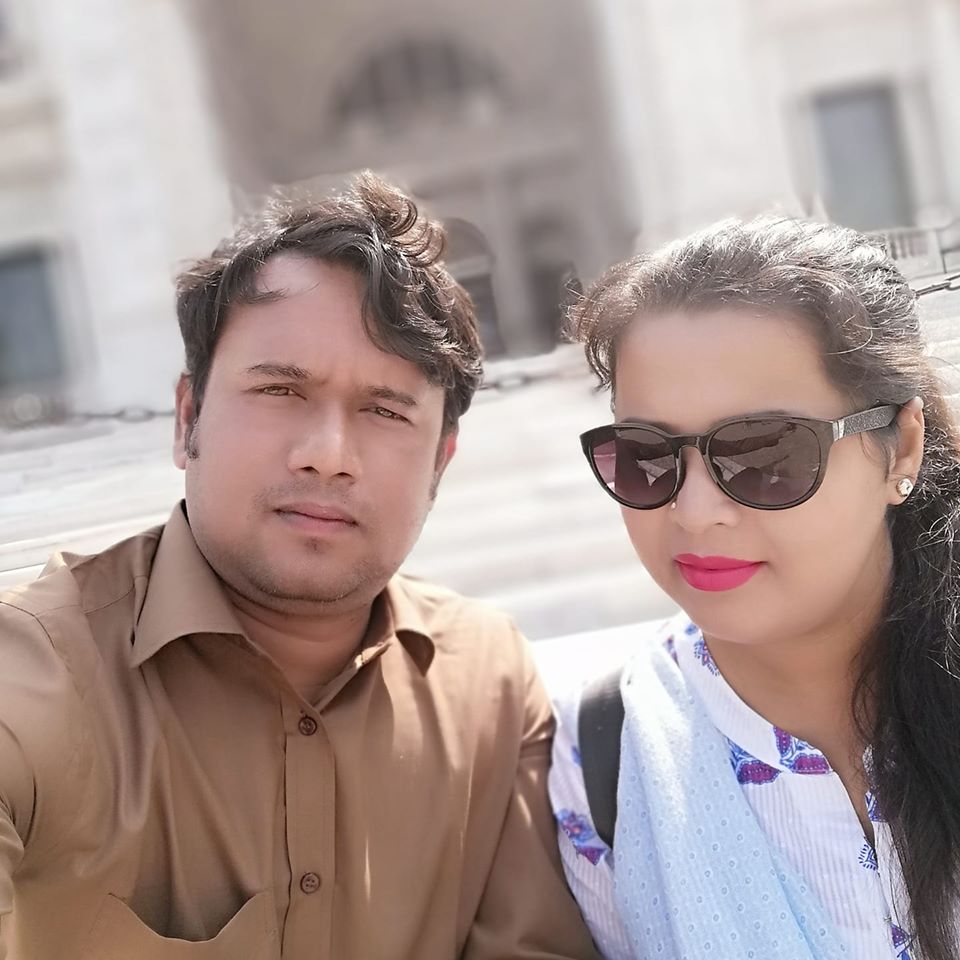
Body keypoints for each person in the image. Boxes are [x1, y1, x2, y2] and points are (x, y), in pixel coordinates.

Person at [0, 174, 600, 960]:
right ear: (188, 419)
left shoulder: (489, 683)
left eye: (384, 410)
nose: (327, 455)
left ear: (440, 463)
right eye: (281, 390)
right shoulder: (36, 673)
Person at [549, 216, 960, 960]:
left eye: (765, 453)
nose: (694, 511)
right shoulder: (603, 759)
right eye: (646, 456)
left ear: (901, 446)